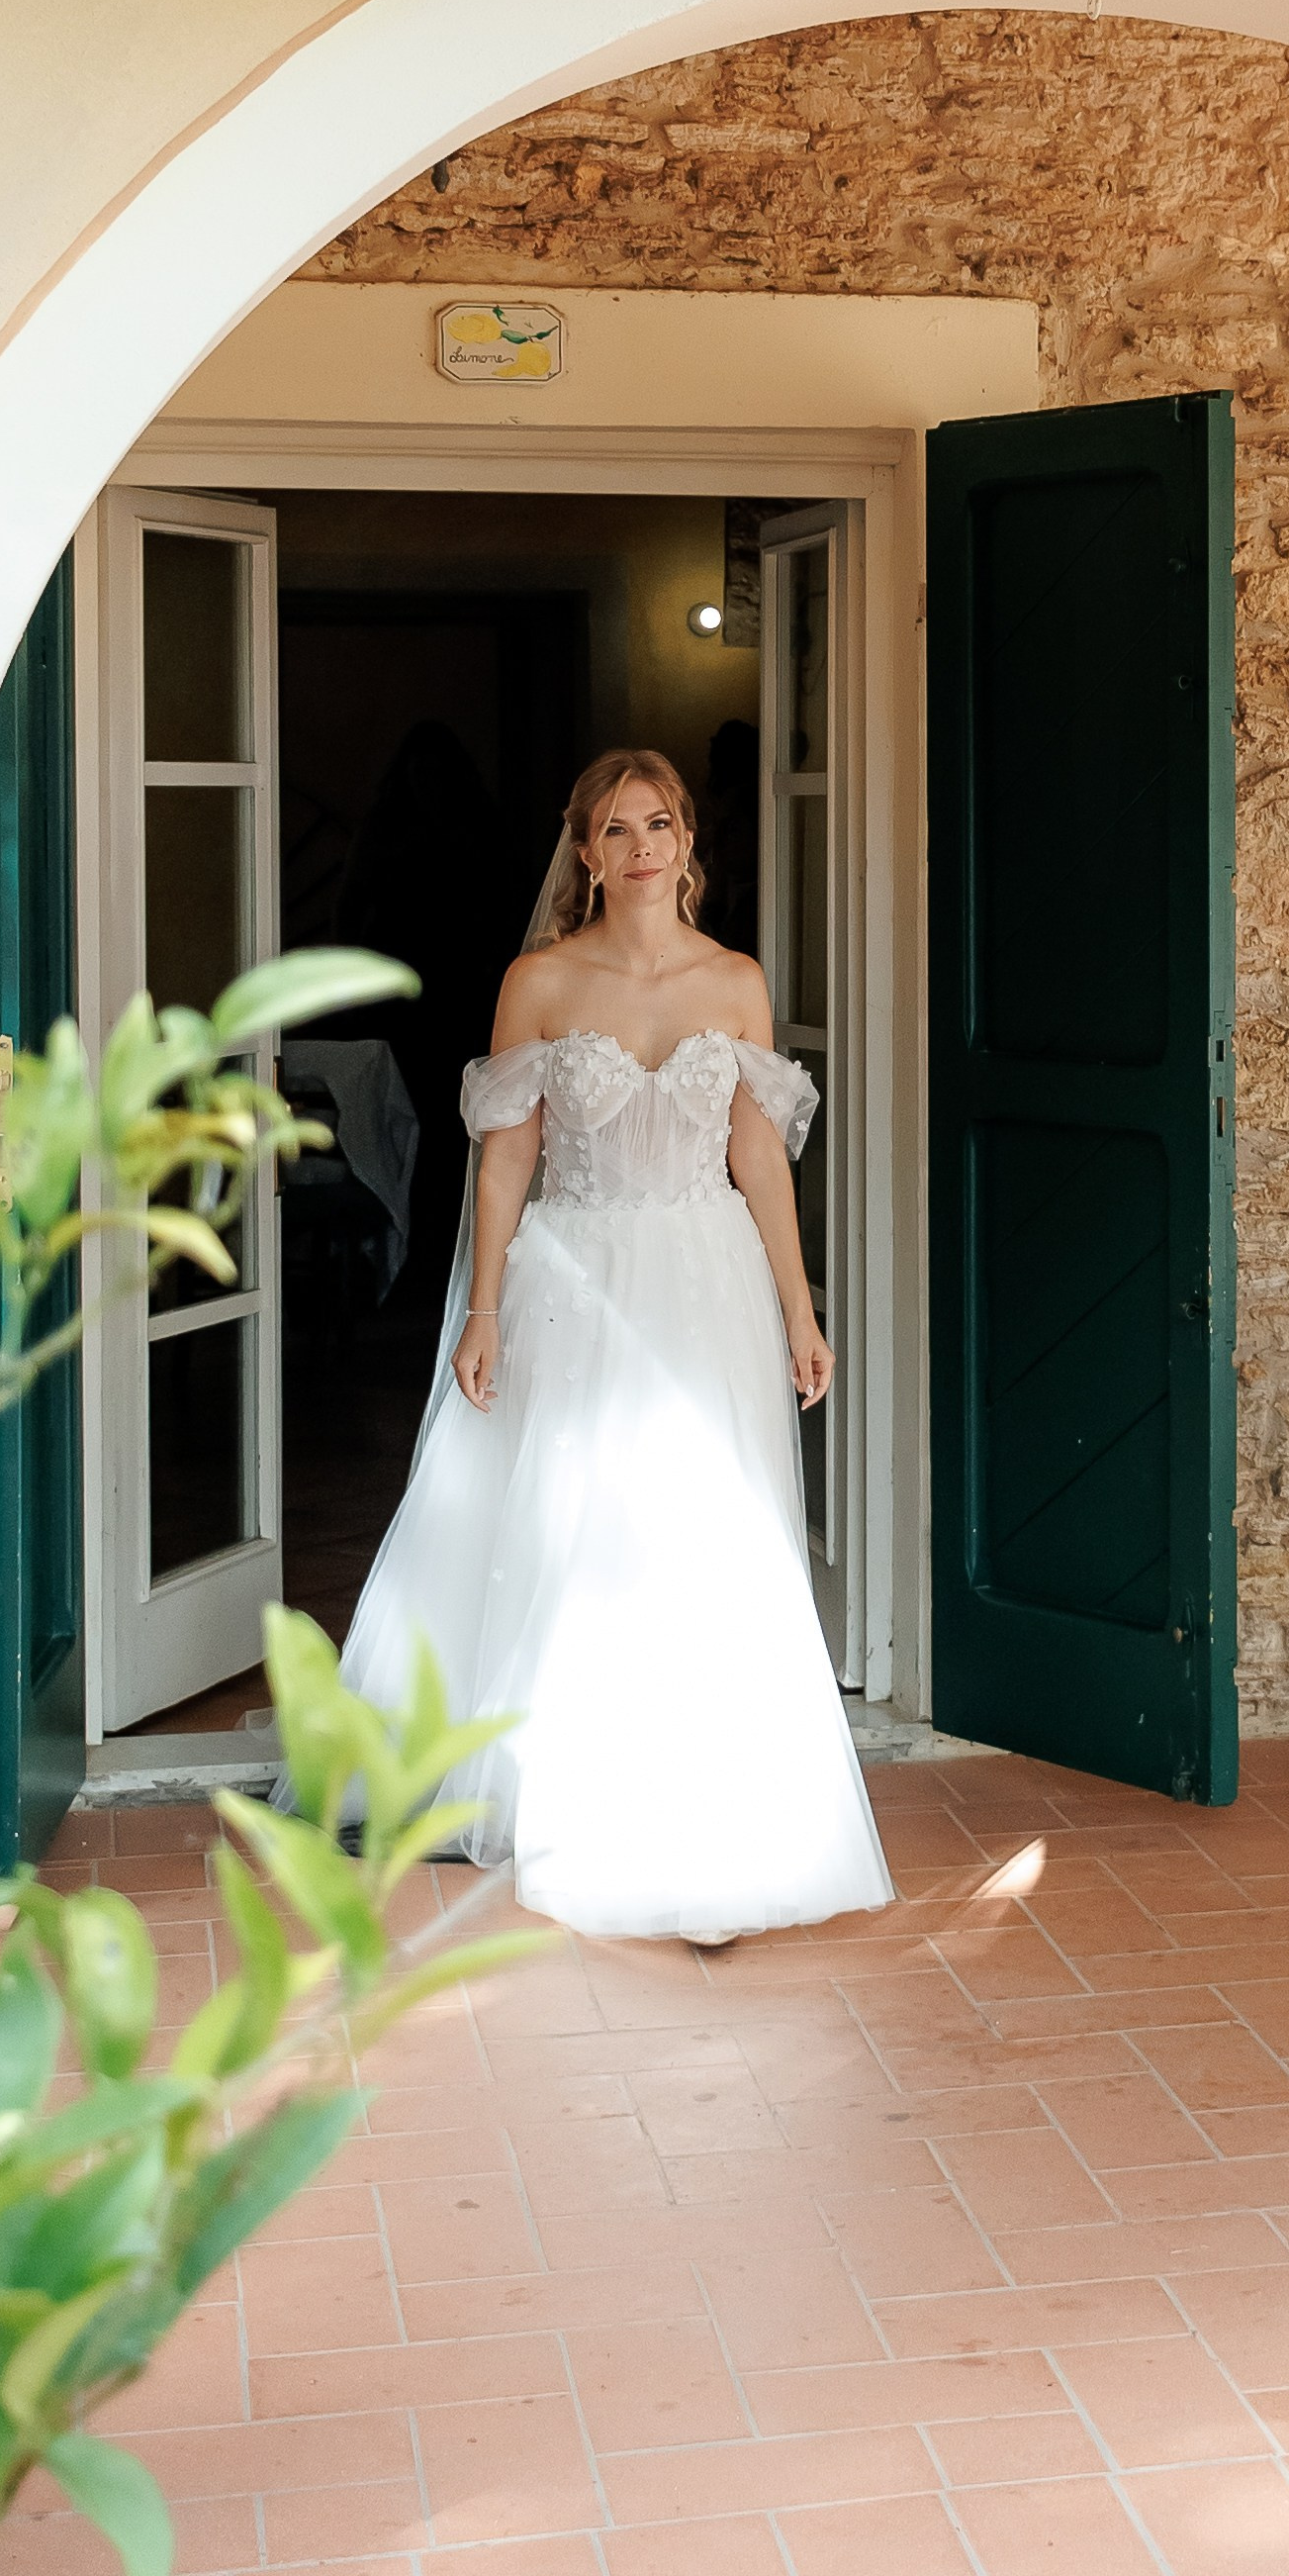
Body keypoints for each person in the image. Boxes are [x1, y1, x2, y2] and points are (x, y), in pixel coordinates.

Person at [334, 745, 894, 1945]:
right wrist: (483, 1309)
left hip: (706, 1283)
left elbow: (756, 1156)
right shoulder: (538, 981)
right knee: (580, 1526)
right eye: (619, 830)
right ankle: (578, 1797)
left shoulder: (735, 982)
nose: (643, 849)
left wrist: (800, 1308)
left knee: (706, 1529)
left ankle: (715, 1815)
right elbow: (507, 1159)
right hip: (572, 1283)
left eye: (662, 825)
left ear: (688, 844)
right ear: (584, 851)